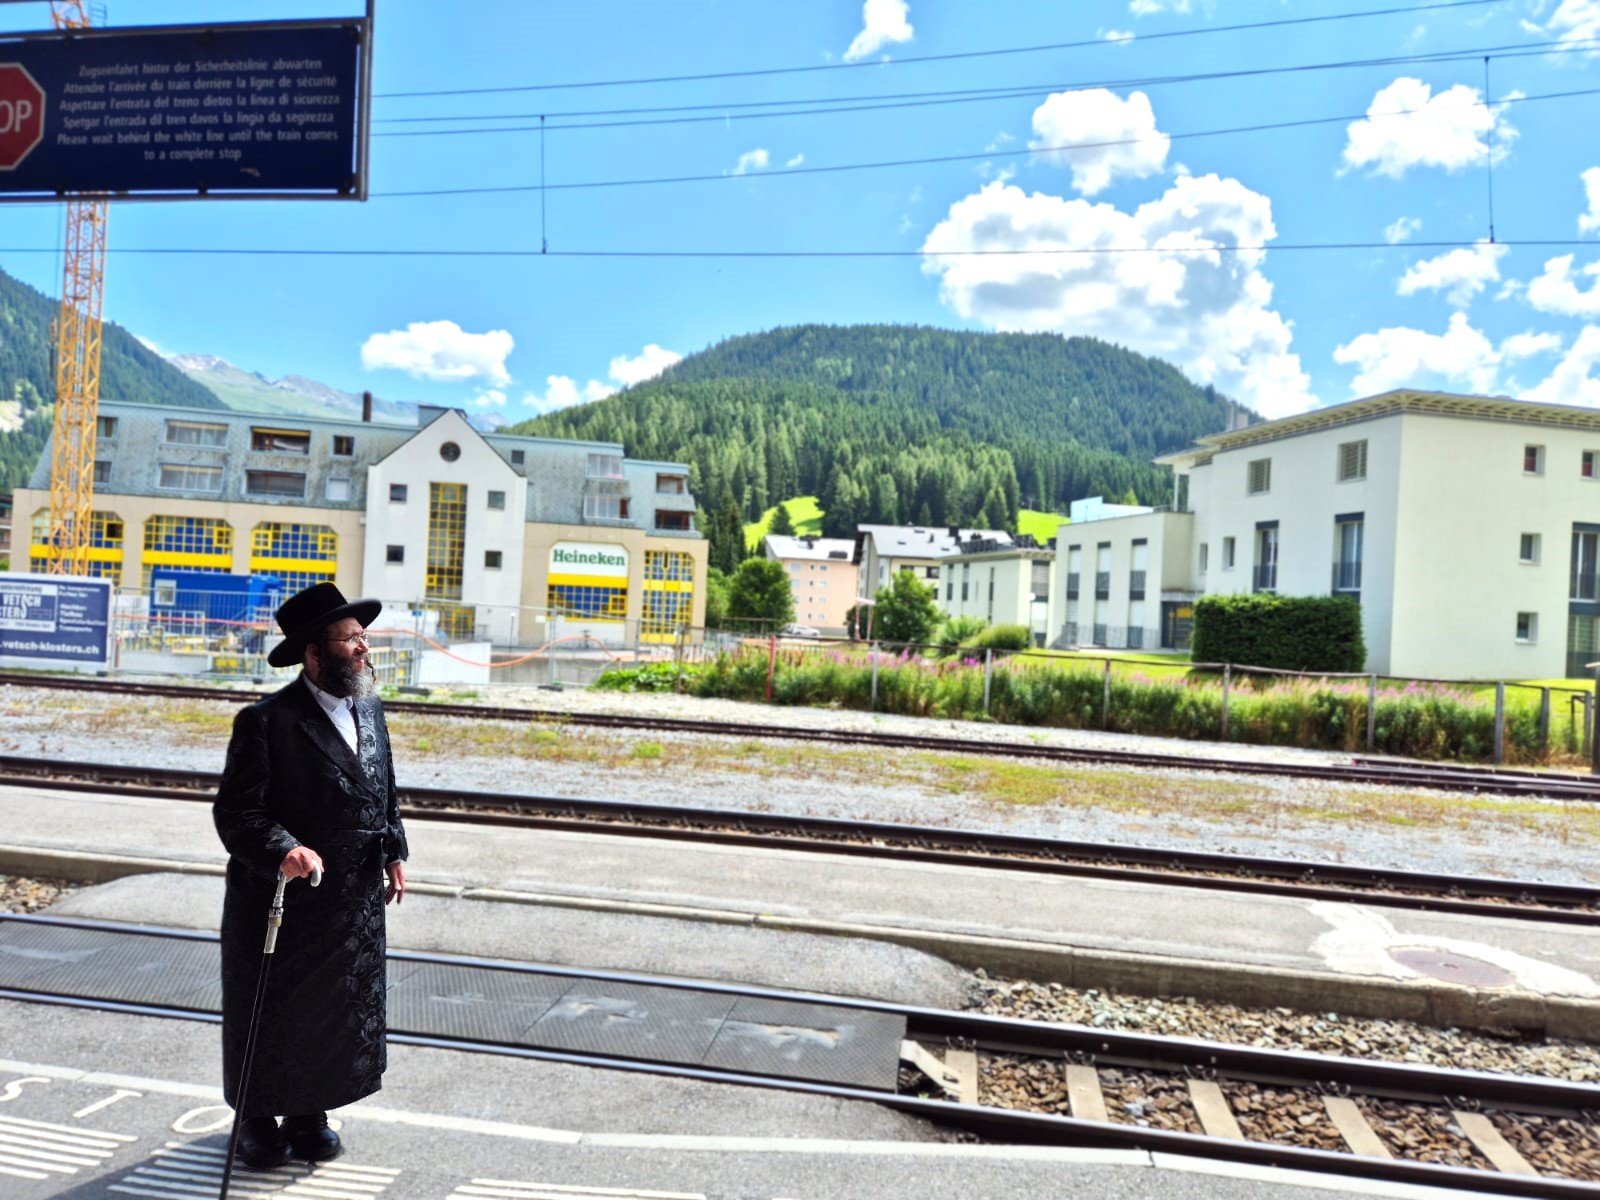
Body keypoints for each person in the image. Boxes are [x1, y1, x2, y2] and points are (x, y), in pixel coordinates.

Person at [213, 583, 408, 1167]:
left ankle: (309, 1112)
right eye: (351, 640)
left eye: (363, 637)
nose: (364, 648)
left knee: (331, 1013)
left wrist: (395, 850)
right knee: (269, 1010)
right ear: (314, 652)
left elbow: (384, 789)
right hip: (281, 901)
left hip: (350, 902)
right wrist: (284, 848)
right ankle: (254, 1118)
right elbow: (238, 812)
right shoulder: (266, 722)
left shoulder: (369, 708)